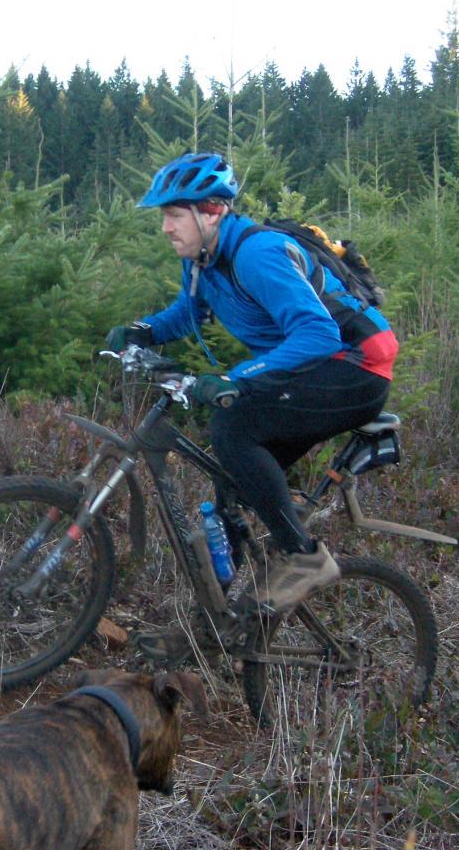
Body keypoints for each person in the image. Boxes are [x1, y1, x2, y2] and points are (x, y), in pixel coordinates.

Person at [107, 152, 398, 659]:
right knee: (230, 481)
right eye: (163, 216)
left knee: (233, 429)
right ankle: (223, 621)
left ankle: (303, 557)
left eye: (174, 215)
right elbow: (188, 313)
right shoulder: (201, 262)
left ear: (211, 211)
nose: (165, 228)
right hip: (315, 367)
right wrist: (146, 329)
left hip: (356, 369)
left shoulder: (256, 255)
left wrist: (236, 378)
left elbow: (317, 331)